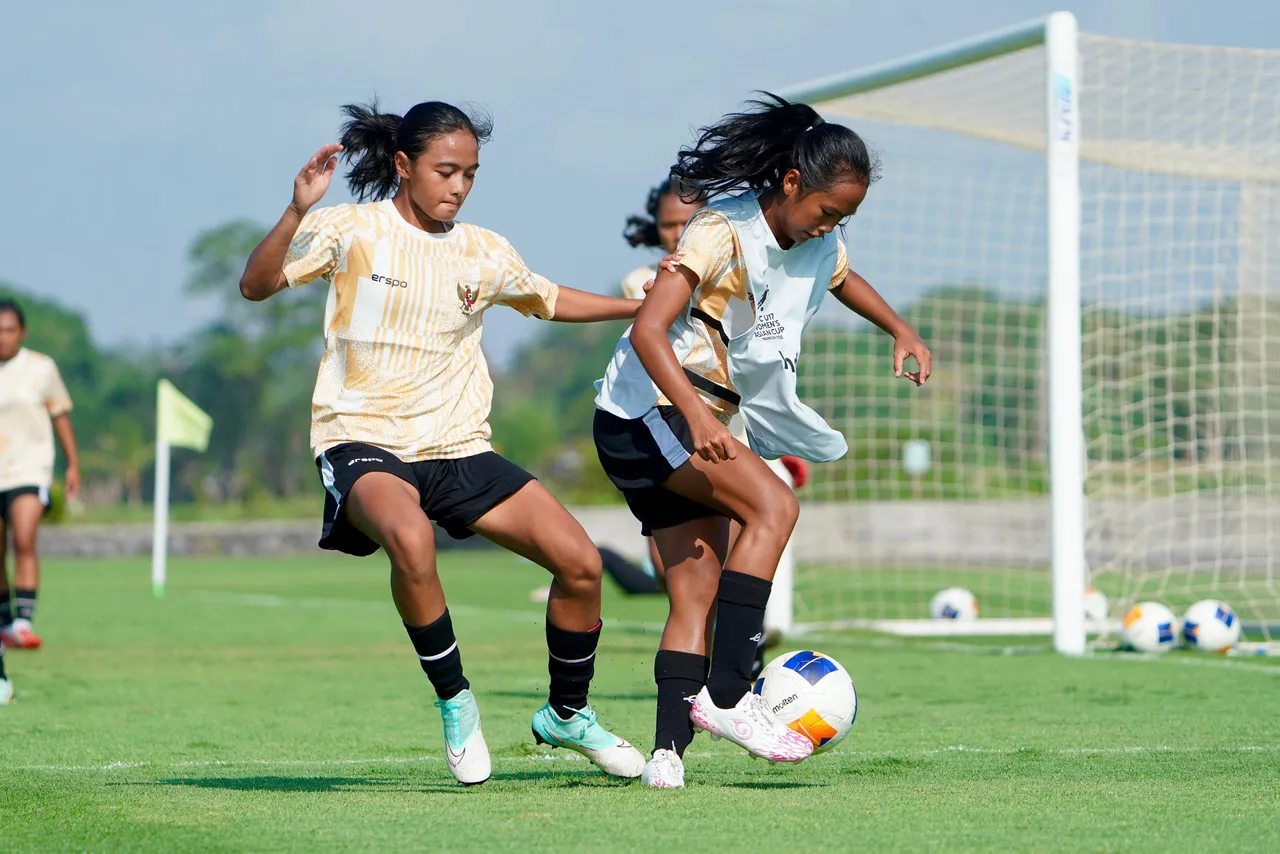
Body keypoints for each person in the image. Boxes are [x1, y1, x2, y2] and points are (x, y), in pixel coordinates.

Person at [238, 99, 647, 786]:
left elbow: (550, 299)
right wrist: (294, 210)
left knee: (580, 564)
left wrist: (641, 306)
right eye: (446, 170)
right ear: (404, 165)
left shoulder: (483, 251)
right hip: (360, 436)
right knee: (412, 542)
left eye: (471, 174)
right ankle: (457, 703)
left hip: (456, 445)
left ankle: (568, 714)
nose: (458, 186)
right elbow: (256, 286)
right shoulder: (350, 229)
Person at [593, 93, 932, 788]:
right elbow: (647, 331)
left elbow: (842, 278)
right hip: (650, 410)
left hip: (676, 418)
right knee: (775, 508)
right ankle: (731, 695)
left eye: (846, 218)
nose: (831, 228)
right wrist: (699, 416)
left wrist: (900, 329)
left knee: (695, 591)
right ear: (789, 184)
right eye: (827, 212)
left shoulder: (819, 241)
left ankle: (666, 758)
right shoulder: (721, 231)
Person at [601, 180, 810, 605]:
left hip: (726, 426)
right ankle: (729, 655)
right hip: (672, 424)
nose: (677, 233)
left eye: (687, 222)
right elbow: (651, 335)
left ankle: (740, 654)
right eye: (667, 225)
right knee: (685, 577)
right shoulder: (646, 281)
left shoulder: (733, 264)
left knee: (740, 545)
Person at [0, 299, 81, 652]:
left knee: (24, 538)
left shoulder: (40, 368)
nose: (2, 337)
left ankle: (23, 622)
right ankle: (5, 622)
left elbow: (60, 415)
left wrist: (73, 464)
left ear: (22, 332)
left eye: (8, 330)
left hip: (30, 468)